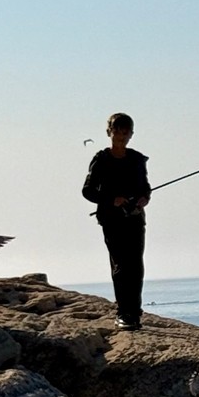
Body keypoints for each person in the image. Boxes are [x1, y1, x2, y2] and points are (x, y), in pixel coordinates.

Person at [82, 112, 151, 330]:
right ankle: (123, 312)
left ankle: (134, 312)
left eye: (125, 132)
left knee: (136, 265)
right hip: (111, 220)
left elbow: (145, 187)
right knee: (121, 264)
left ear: (131, 134)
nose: (121, 137)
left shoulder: (137, 159)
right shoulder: (101, 159)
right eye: (117, 132)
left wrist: (144, 198)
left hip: (135, 218)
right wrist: (113, 200)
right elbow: (88, 191)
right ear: (109, 133)